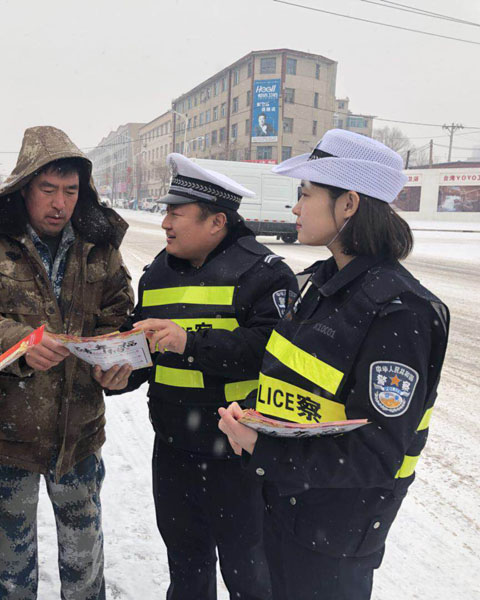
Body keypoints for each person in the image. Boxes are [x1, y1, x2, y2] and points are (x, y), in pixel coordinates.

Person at [218, 129, 450, 600]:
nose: (295, 208)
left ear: (349, 204)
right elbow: (296, 384)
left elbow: (376, 454)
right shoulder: (320, 283)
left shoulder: (399, 310)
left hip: (336, 534)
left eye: (305, 194)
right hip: (287, 505)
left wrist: (263, 450)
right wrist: (251, 410)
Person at [0, 126, 135, 599]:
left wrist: (115, 358)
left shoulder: (98, 241)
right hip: (5, 432)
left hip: (80, 431)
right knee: (9, 567)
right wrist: (18, 343)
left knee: (84, 558)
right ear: (24, 187)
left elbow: (117, 311)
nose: (59, 203)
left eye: (70, 191)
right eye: (47, 190)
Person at [100, 153, 296, 600]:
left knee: (250, 573)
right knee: (186, 569)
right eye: (166, 210)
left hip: (239, 455)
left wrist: (189, 342)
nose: (165, 221)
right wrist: (121, 374)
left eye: (176, 212)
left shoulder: (264, 274)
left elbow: (272, 355)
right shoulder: (157, 273)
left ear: (216, 222)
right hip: (173, 450)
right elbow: (147, 350)